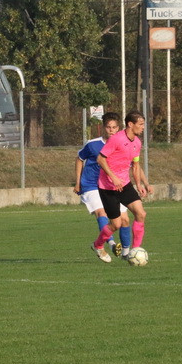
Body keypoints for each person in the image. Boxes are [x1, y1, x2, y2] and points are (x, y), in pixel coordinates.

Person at [94, 111, 153, 262]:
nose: (143, 127)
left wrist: (139, 184)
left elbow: (135, 165)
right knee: (116, 224)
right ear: (130, 124)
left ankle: (135, 250)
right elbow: (100, 159)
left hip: (125, 184)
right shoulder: (116, 139)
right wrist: (113, 177)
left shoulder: (137, 142)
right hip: (107, 187)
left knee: (141, 214)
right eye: (141, 124)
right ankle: (98, 245)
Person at [75, 112, 131, 260]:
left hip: (111, 186)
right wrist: (78, 182)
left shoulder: (121, 145)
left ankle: (126, 253)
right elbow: (79, 159)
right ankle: (110, 244)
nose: (111, 130)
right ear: (103, 127)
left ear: (118, 128)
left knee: (124, 219)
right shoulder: (92, 144)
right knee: (102, 213)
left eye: (114, 127)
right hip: (91, 185)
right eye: (108, 127)